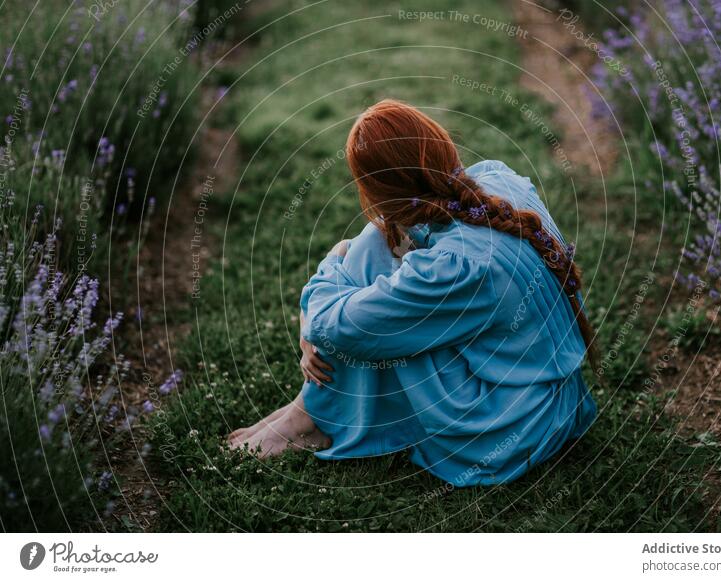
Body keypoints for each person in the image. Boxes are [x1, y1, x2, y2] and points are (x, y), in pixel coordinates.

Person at [228, 99, 597, 486]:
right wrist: (340, 268)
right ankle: (306, 412)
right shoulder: (498, 179)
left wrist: (324, 280)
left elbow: (338, 328)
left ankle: (310, 418)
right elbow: (386, 239)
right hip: (555, 399)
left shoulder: (456, 268)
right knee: (377, 240)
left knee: (374, 323)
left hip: (511, 426)